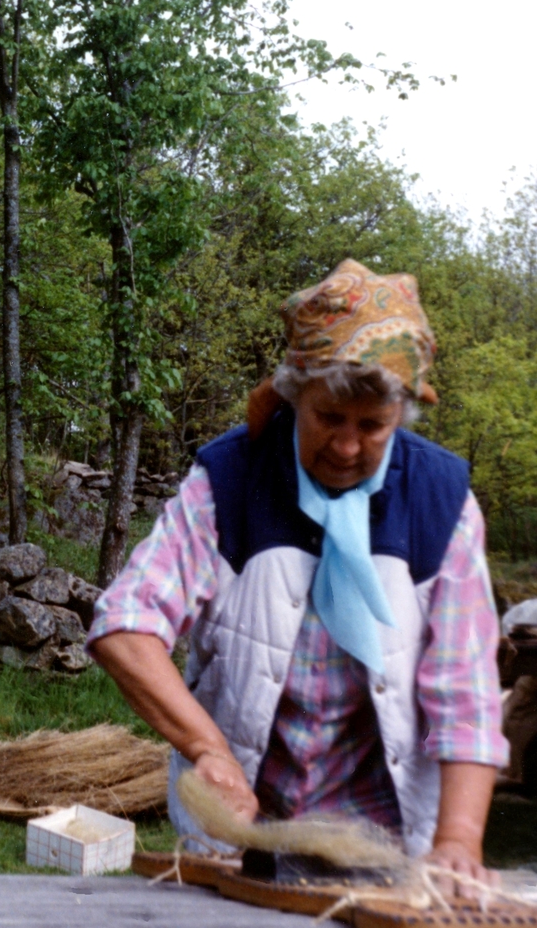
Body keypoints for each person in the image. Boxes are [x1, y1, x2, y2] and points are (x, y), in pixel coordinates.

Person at [88, 260, 507, 884]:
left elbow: (465, 694)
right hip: (238, 842)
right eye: (328, 419)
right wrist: (208, 749)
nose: (345, 447)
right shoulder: (228, 482)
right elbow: (125, 627)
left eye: (371, 427)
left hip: (385, 849)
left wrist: (458, 840)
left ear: (401, 416)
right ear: (293, 393)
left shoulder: (440, 500)